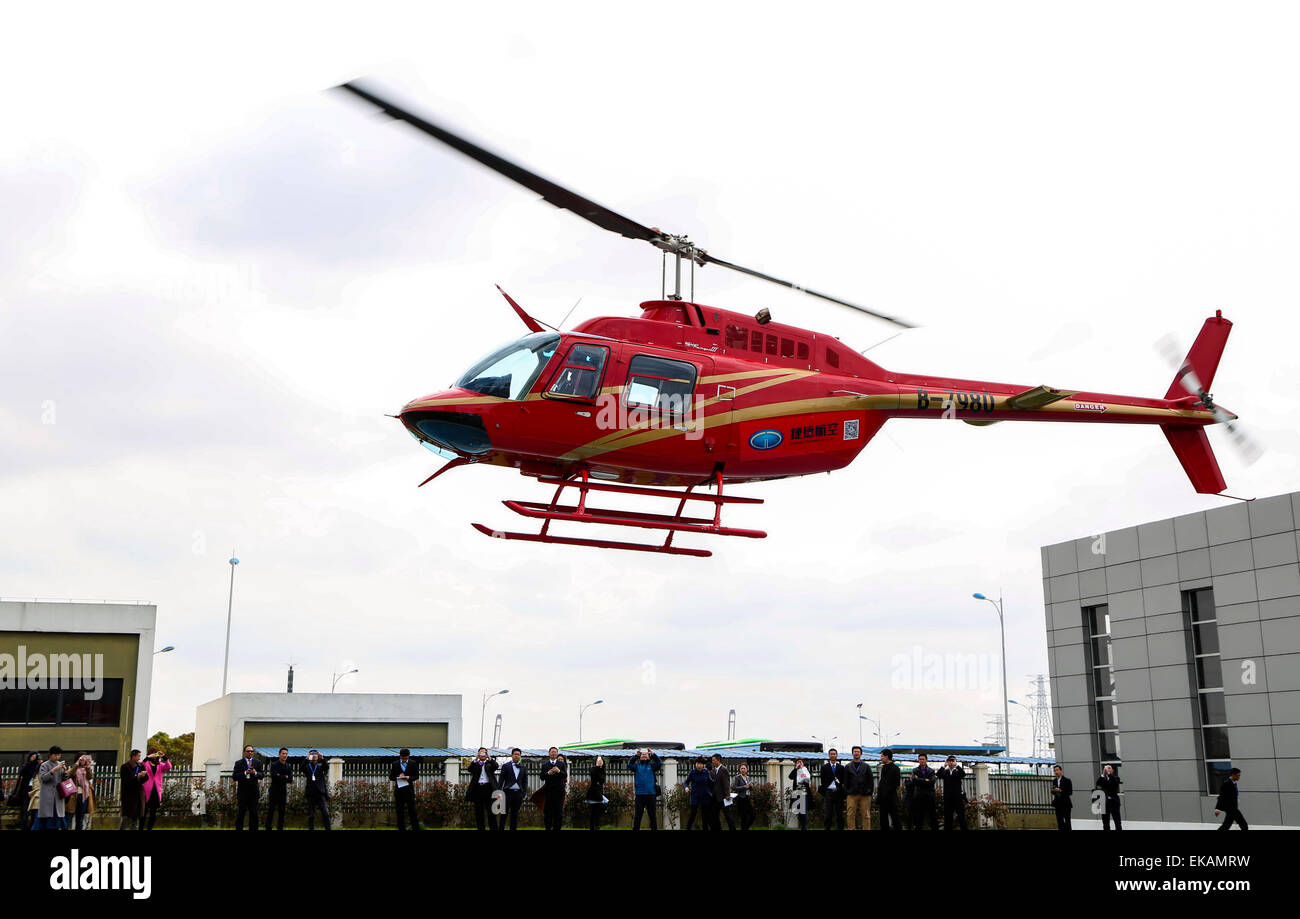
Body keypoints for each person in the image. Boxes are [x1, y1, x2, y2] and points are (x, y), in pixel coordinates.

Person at [35, 746, 69, 830]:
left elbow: (64, 780)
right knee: (47, 819)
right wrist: (53, 770)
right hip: (47, 795)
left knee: (58, 818)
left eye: (59, 755)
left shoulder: (60, 764)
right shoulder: (44, 765)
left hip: (58, 795)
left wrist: (65, 772)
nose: (57, 757)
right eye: (55, 755)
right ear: (50, 755)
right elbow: (43, 778)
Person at [626, 748, 660, 831]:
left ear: (649, 757)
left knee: (652, 816)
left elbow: (660, 763)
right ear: (640, 757)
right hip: (640, 795)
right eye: (642, 755)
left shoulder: (652, 766)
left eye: (646, 754)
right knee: (638, 816)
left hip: (651, 795)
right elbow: (629, 764)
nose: (644, 755)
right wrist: (636, 755)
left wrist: (653, 754)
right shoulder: (637, 767)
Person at [467, 747, 499, 831]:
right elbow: (470, 769)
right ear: (478, 754)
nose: (482, 754)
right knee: (479, 812)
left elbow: (496, 766)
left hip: (488, 789)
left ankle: (493, 828)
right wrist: (476, 759)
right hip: (478, 789)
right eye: (480, 753)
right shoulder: (476, 764)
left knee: (491, 811)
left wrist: (489, 757)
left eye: (484, 753)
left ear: (486, 754)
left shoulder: (490, 763)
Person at [232, 745, 263, 831]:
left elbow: (261, 775)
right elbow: (235, 776)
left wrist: (255, 772)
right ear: (244, 752)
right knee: (241, 813)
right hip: (243, 792)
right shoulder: (238, 763)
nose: (250, 753)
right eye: (248, 751)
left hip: (254, 792)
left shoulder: (258, 762)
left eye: (252, 751)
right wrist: (245, 772)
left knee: (254, 814)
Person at [843, 746, 874, 830]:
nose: (856, 753)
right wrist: (847, 792)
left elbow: (870, 780)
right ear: (852, 753)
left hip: (865, 794)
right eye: (855, 751)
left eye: (858, 752)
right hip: (852, 794)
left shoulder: (866, 766)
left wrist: (869, 792)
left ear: (861, 753)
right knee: (850, 815)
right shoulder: (848, 766)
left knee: (866, 815)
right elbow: (845, 781)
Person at [389, 748, 421, 831]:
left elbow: (416, 776)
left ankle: (415, 828)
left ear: (408, 756)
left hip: (409, 792)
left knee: (412, 812)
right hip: (399, 792)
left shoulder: (413, 763)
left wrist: (409, 777)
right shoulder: (395, 764)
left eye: (406, 758)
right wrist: (398, 777)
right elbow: (391, 777)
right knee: (400, 813)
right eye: (402, 758)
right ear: (400, 756)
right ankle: (401, 828)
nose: (404, 760)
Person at [139, 750, 171, 830]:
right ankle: (141, 828)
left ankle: (150, 828)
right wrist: (148, 757)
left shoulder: (160, 765)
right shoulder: (145, 764)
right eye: (154, 754)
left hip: (156, 791)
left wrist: (164, 756)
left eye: (156, 755)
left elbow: (169, 766)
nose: (155, 756)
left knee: (153, 813)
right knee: (144, 812)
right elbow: (140, 765)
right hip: (146, 790)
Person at [498, 748, 528, 831]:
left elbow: (525, 782)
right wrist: (499, 791)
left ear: (520, 756)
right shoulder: (505, 766)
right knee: (504, 814)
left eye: (518, 754)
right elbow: (501, 780)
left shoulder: (523, 767)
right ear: (512, 755)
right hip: (507, 793)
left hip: (518, 794)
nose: (516, 756)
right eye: (515, 754)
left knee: (514, 815)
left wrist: (523, 793)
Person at [9, 751, 41, 829]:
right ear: (29, 757)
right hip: (25, 792)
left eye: (35, 756)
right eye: (32, 756)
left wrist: (39, 764)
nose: (33, 758)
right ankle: (24, 826)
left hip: (34, 791)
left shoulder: (39, 766)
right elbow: (23, 772)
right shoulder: (26, 765)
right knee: (24, 811)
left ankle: (32, 826)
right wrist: (31, 763)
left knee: (34, 811)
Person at [302, 749, 331, 830]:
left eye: (315, 754)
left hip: (320, 793)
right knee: (311, 814)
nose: (314, 755)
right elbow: (301, 768)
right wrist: (306, 758)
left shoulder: (320, 765)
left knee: (325, 813)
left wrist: (322, 758)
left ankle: (328, 828)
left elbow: (327, 767)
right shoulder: (308, 766)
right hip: (310, 793)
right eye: (312, 754)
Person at [539, 747, 567, 831]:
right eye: (552, 752)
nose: (553, 753)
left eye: (555, 752)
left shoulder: (561, 764)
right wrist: (548, 773)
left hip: (559, 792)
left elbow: (565, 775)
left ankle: (557, 828)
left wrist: (558, 771)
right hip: (549, 791)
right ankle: (547, 828)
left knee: (558, 812)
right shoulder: (545, 765)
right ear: (549, 753)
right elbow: (542, 777)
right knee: (548, 812)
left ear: (557, 753)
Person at [265, 747, 292, 831]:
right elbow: (275, 777)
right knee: (271, 810)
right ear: (279, 754)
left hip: (283, 791)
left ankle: (280, 827)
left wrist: (281, 776)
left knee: (282, 811)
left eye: (286, 754)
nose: (285, 755)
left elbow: (290, 779)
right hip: (274, 790)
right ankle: (268, 827)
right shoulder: (274, 765)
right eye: (283, 753)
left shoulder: (288, 766)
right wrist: (284, 776)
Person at [936, 755, 967, 830]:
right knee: (948, 816)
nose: (951, 762)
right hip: (948, 798)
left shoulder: (957, 771)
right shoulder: (945, 772)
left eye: (953, 761)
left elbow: (963, 774)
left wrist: (957, 765)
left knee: (961, 816)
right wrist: (944, 766)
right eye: (950, 761)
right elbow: (938, 774)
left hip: (958, 797)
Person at [119, 749, 145, 830]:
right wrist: (137, 777)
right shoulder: (125, 767)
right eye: (138, 756)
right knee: (126, 817)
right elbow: (126, 781)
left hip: (138, 795)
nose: (139, 758)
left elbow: (145, 779)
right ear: (133, 756)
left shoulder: (140, 766)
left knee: (136, 817)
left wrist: (143, 776)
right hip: (129, 796)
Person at [909, 753, 937, 830]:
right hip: (919, 796)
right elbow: (914, 781)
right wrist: (925, 780)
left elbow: (932, 782)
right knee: (919, 817)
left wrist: (920, 780)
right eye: (920, 759)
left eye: (923, 759)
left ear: (926, 760)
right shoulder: (915, 770)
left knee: (932, 817)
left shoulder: (931, 771)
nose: (921, 761)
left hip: (930, 796)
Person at [820, 748, 846, 830]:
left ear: (837, 755)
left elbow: (843, 780)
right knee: (828, 814)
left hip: (838, 794)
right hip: (828, 793)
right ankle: (827, 828)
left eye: (834, 754)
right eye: (831, 754)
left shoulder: (841, 767)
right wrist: (826, 791)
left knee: (839, 814)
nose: (833, 755)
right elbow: (823, 781)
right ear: (829, 755)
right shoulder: (824, 767)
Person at [877, 748, 902, 831]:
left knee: (895, 818)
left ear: (887, 757)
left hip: (891, 798)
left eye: (882, 756)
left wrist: (886, 791)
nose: (881, 758)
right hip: (882, 798)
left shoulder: (895, 768)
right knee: (883, 819)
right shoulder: (883, 768)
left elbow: (896, 784)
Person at [684, 758, 713, 830]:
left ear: (703, 765)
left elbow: (711, 782)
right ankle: (688, 828)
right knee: (693, 814)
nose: (699, 765)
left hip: (705, 796)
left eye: (700, 764)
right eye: (697, 764)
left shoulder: (706, 772)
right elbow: (686, 782)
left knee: (705, 815)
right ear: (695, 764)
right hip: (695, 796)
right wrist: (686, 787)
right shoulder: (692, 772)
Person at [709, 753, 734, 830]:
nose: (712, 762)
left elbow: (726, 783)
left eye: (713, 760)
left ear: (718, 760)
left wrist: (727, 795)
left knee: (727, 816)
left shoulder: (723, 770)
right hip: (715, 798)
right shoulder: (714, 770)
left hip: (723, 797)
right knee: (714, 815)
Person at [71, 754, 95, 831]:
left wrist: (88, 766)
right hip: (74, 795)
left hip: (84, 795)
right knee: (69, 816)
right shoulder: (74, 768)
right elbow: (70, 774)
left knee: (80, 818)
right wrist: (77, 763)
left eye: (85, 759)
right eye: (82, 759)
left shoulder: (86, 769)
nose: (83, 761)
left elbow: (90, 776)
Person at [1095, 764, 1122, 830]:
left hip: (1114, 803)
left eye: (1109, 768)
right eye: (1106, 768)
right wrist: (1103, 775)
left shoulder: (1116, 778)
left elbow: (1115, 784)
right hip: (1104, 803)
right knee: (1105, 823)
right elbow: (1097, 784)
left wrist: (1109, 774)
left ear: (1112, 770)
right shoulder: (1102, 779)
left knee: (1117, 822)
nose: (1108, 769)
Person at [787, 758, 812, 830]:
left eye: (801, 762)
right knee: (798, 811)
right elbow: (790, 777)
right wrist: (796, 768)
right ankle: (803, 825)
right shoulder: (795, 771)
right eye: (798, 762)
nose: (799, 763)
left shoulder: (805, 770)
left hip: (804, 793)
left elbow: (808, 778)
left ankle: (804, 827)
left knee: (803, 811)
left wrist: (802, 770)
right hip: (796, 793)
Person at [586, 756, 606, 830]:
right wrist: (597, 767)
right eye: (598, 760)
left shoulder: (603, 770)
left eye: (601, 760)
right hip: (592, 793)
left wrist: (600, 768)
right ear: (596, 762)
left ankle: (597, 826)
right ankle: (591, 827)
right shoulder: (593, 769)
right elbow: (594, 777)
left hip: (599, 793)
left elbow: (602, 780)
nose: (600, 761)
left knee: (598, 812)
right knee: (592, 812)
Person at [1051, 764, 1072, 830]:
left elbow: (1070, 792)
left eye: (1057, 770)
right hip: (1058, 804)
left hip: (1066, 804)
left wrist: (1060, 790)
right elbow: (1053, 792)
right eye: (1054, 771)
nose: (1056, 772)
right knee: (1060, 822)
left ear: (1061, 771)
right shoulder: (1054, 781)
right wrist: (1053, 791)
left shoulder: (1067, 780)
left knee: (1067, 822)